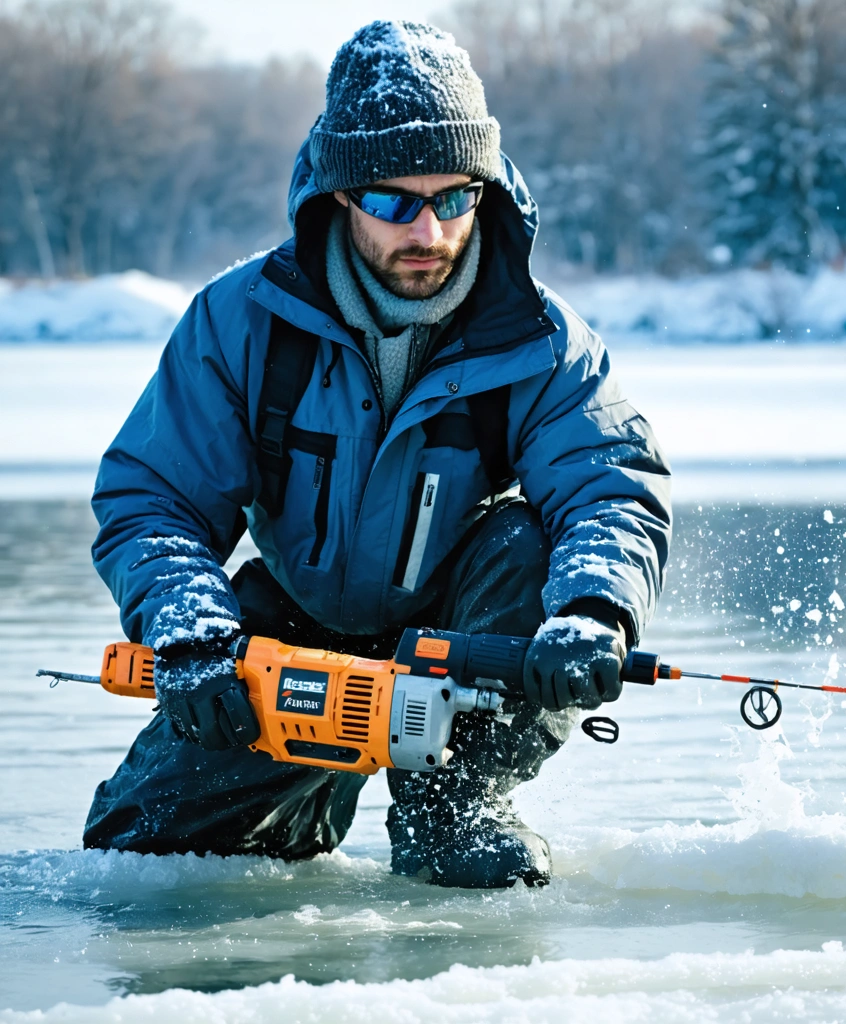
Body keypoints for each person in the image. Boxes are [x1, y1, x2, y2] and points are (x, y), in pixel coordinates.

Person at [83, 20, 671, 888]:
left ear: (486, 192)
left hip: (462, 641)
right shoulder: (237, 320)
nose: (427, 231)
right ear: (342, 196)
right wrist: (190, 631)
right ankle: (300, 804)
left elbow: (609, 488)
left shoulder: (547, 343)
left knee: (532, 546)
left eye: (455, 198)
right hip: (288, 636)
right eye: (396, 202)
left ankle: (455, 805)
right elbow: (152, 498)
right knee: (138, 859)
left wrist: (595, 609)